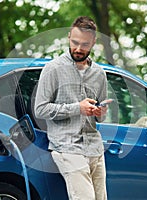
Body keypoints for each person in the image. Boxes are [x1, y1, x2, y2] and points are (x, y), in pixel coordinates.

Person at [34, 16, 108, 200]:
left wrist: (101, 112)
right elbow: (40, 109)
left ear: (93, 43)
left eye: (84, 44)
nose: (78, 48)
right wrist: (78, 108)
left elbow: (101, 116)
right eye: (75, 42)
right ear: (69, 37)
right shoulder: (53, 69)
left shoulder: (99, 73)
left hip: (95, 148)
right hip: (66, 146)